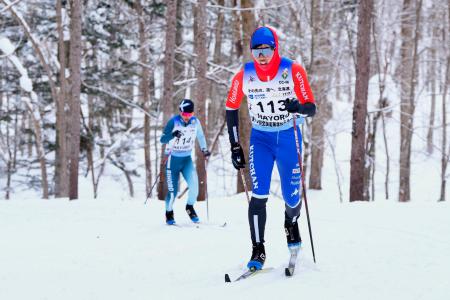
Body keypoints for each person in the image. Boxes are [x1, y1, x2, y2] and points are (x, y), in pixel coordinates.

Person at [225, 26, 316, 270]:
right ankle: (258, 250)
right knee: (259, 194)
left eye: (266, 50)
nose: (262, 55)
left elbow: (311, 107)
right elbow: (231, 108)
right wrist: (235, 145)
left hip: (288, 137)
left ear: (275, 48)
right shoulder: (244, 74)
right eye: (257, 51)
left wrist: (297, 107)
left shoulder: (292, 69)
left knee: (292, 196)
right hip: (261, 139)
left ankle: (290, 223)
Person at [160, 99, 211, 225]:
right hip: (173, 160)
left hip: (186, 160)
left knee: (195, 188)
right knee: (173, 192)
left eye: (190, 114)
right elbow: (162, 139)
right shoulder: (173, 122)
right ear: (180, 112)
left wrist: (204, 149)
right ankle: (169, 213)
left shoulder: (195, 122)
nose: (187, 117)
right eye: (185, 114)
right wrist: (173, 134)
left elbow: (200, 136)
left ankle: (189, 207)